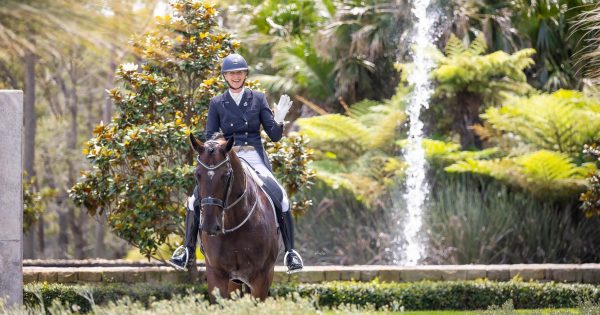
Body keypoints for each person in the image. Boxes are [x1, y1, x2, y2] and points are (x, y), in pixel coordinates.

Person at [168, 53, 304, 274]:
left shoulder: (258, 98)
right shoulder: (217, 102)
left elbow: (274, 136)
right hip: (226, 156)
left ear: (245, 75)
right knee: (194, 199)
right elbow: (210, 135)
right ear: (225, 76)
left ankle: (290, 253)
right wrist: (220, 146)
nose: (236, 76)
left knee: (281, 196)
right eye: (231, 73)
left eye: (239, 72)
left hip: (252, 155)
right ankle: (186, 249)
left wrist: (277, 121)